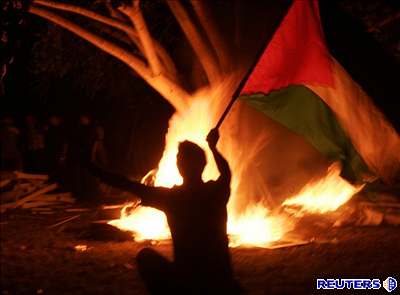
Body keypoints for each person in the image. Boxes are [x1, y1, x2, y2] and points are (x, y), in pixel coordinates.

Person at [89, 129, 241, 294]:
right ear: (203, 165)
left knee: (145, 257)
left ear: (179, 166)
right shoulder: (216, 192)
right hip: (221, 281)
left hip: (187, 283)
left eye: (178, 158)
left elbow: (127, 184)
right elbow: (226, 173)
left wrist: (94, 170)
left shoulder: (172, 198)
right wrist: (213, 147)